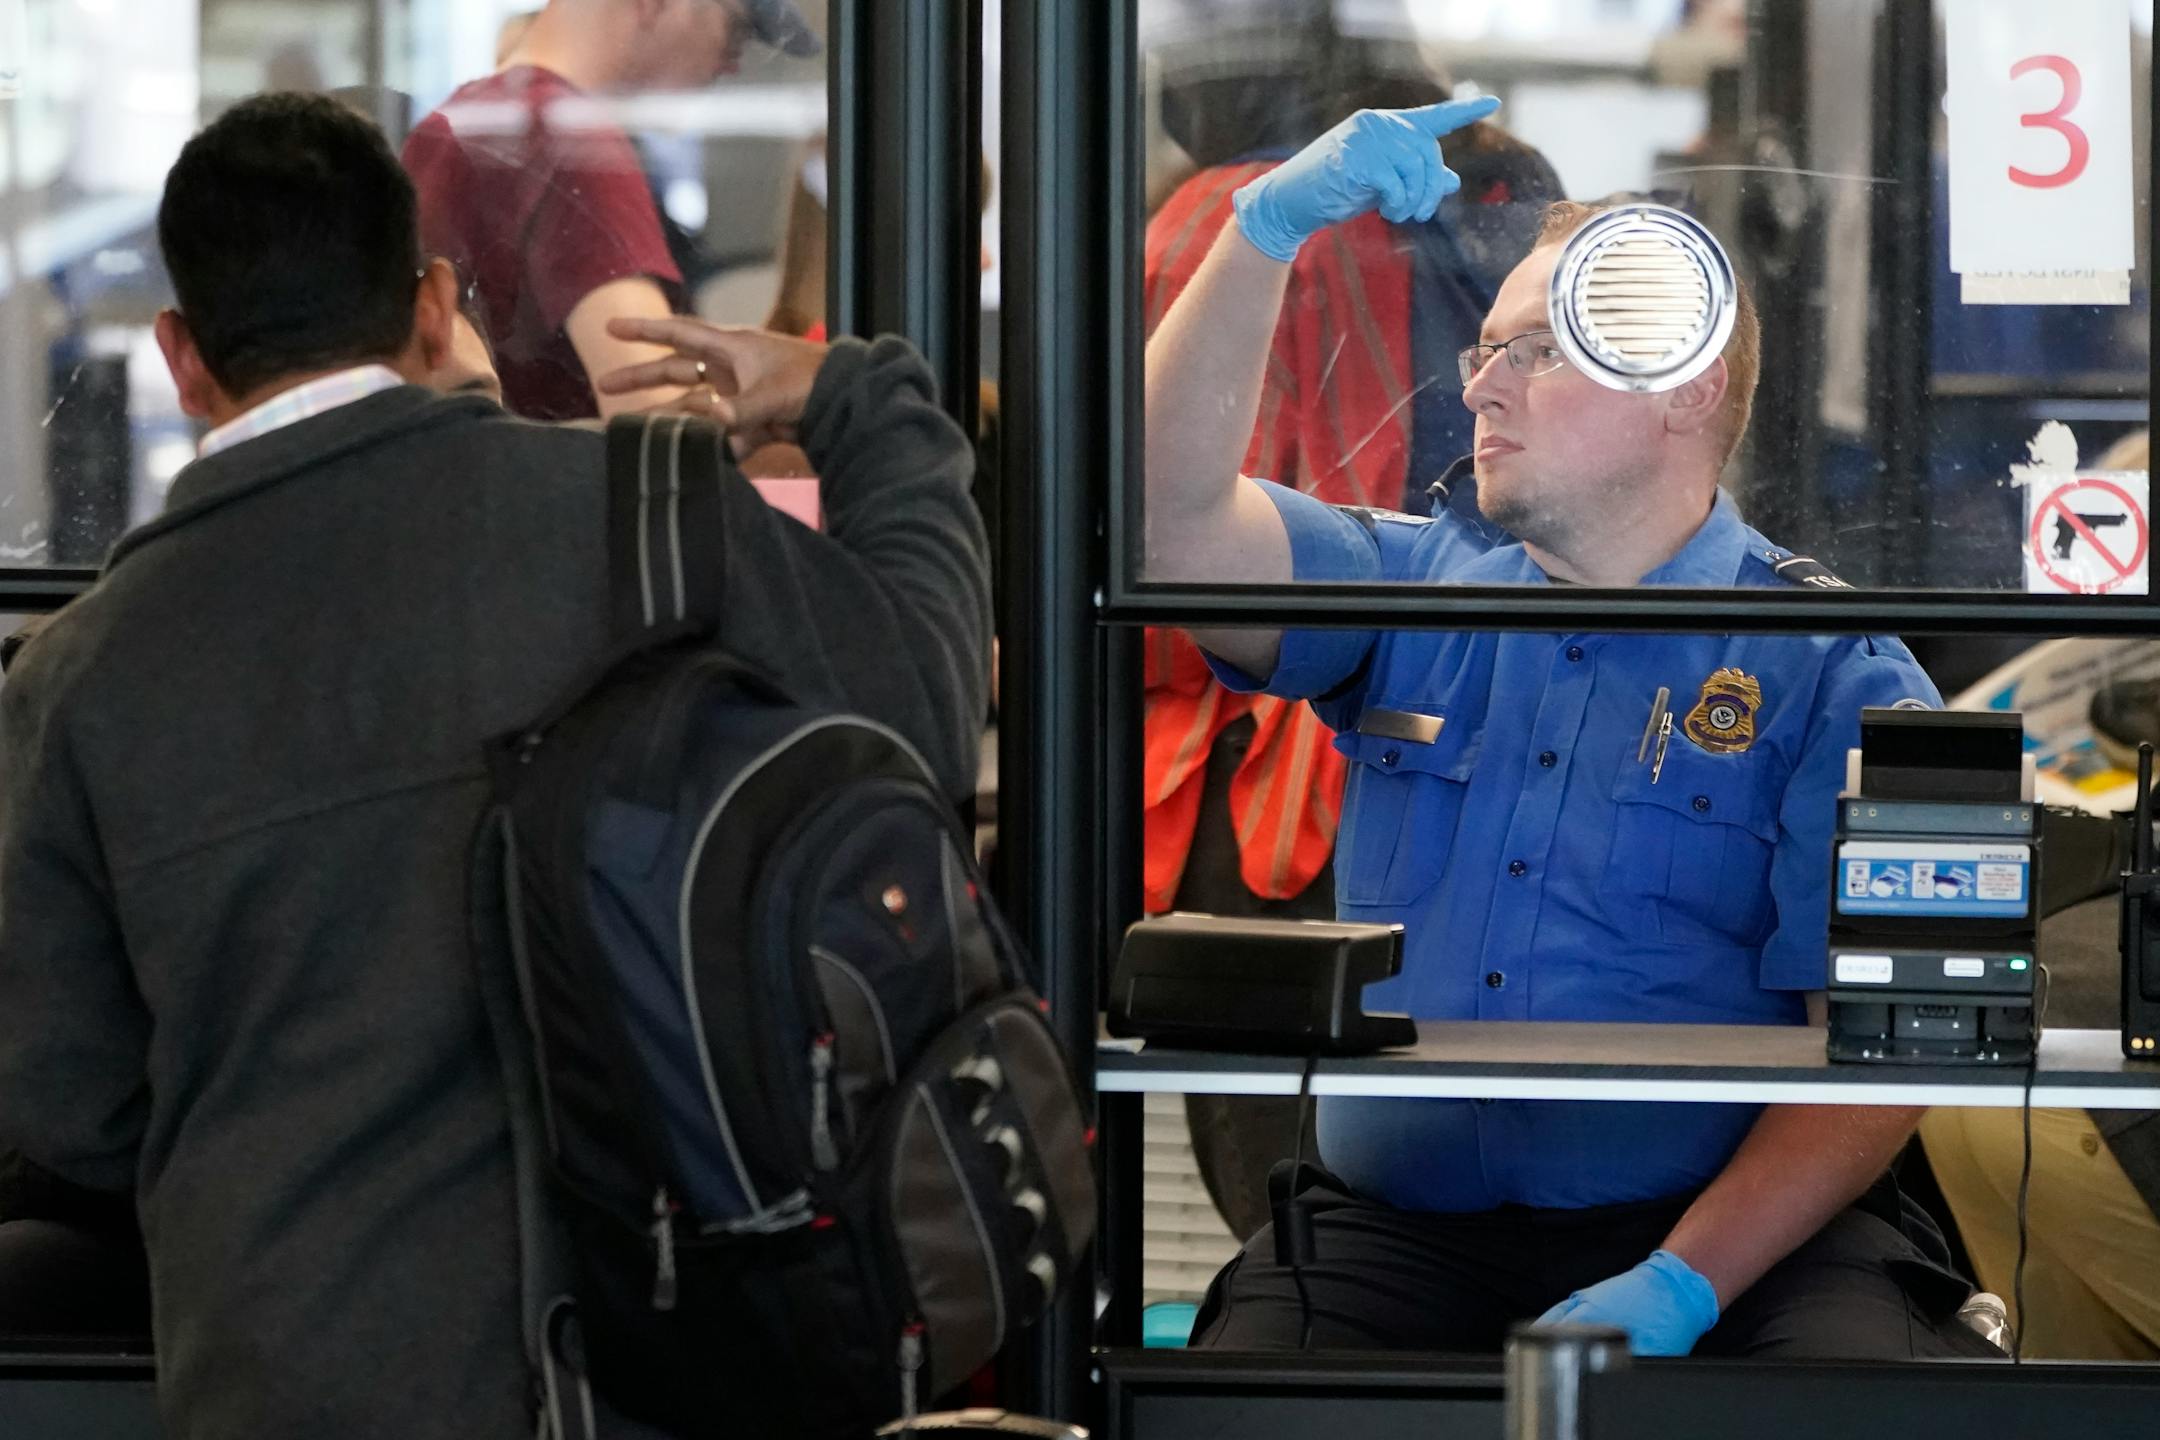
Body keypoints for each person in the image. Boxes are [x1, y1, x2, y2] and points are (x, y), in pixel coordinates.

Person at [0, 91, 989, 1439]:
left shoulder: (79, 680)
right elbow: (923, 718)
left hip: (290, 1382)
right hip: (672, 1360)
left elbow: (68, 1095)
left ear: (182, 355)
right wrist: (859, 396)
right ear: (432, 304)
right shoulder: (652, 518)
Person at [1146, 98, 1994, 1359]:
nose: (1482, 383)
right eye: (1484, 350)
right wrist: (1262, 233)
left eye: (1539, 349)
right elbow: (1162, 526)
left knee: (1851, 1398)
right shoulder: (1398, 587)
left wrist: (1686, 1285)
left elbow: (1912, 1044)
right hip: (1393, 1234)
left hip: (1731, 1242)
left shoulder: (1847, 677)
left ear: (1687, 384)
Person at [401, 0, 820, 420]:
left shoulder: (449, 128)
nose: (733, 65)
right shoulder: (571, 141)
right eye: (736, 30)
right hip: (560, 483)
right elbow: (661, 427)